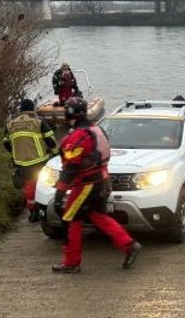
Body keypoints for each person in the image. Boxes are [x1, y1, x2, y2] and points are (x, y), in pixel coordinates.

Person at [52, 97, 142, 274]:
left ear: (70, 113)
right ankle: (129, 244)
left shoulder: (78, 135)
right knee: (98, 216)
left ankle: (71, 262)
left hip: (85, 184)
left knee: (71, 220)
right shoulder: (97, 129)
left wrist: (60, 192)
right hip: (102, 180)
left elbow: (71, 167)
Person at [3, 99, 57, 223]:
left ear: (21, 110)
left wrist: (15, 153)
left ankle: (33, 212)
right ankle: (43, 211)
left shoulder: (11, 124)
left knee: (28, 187)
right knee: (43, 185)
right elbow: (51, 140)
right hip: (39, 161)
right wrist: (54, 154)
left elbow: (5, 142)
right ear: (32, 109)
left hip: (20, 163)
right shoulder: (38, 122)